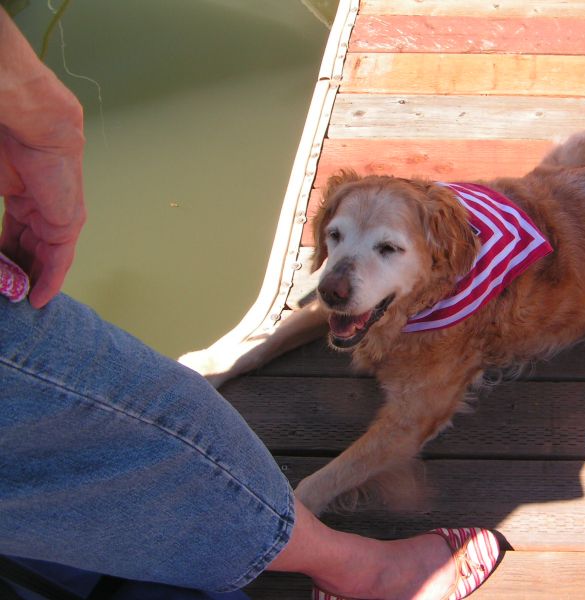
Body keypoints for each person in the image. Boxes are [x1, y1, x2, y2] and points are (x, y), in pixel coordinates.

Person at [0, 9, 499, 600]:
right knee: (168, 421)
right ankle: (351, 567)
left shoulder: (461, 280)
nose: (336, 280)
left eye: (388, 249)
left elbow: (411, 424)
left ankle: (309, 548)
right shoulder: (360, 281)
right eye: (334, 239)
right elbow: (330, 302)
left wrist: (305, 496)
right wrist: (238, 354)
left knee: (165, 424)